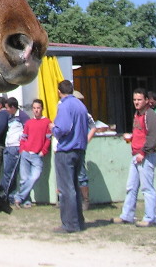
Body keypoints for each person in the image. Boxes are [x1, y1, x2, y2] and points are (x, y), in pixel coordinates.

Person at [113, 87, 156, 227]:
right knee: (131, 187)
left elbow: (152, 137)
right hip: (136, 155)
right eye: (134, 100)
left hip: (146, 156)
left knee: (147, 188)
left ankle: (151, 218)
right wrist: (131, 138)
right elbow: (141, 134)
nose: (136, 102)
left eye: (139, 100)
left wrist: (143, 153)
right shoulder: (137, 114)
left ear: (147, 100)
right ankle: (127, 215)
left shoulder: (150, 115)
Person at [50, 80, 90, 233]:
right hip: (79, 149)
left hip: (66, 150)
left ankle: (69, 225)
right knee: (74, 187)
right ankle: (78, 221)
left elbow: (63, 128)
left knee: (66, 189)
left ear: (59, 91)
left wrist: (54, 128)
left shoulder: (64, 105)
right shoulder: (81, 105)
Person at [15, 98, 51, 208]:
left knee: (34, 177)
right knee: (24, 179)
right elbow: (24, 137)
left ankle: (18, 197)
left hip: (37, 155)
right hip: (26, 153)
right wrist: (22, 149)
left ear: (42, 109)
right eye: (34, 108)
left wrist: (43, 152)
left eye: (38, 108)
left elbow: (48, 139)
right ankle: (26, 201)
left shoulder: (47, 122)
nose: (36, 110)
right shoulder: (29, 123)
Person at [73, 90, 97, 210]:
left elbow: (93, 127)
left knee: (81, 174)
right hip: (71, 146)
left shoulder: (85, 114)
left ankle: (85, 200)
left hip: (79, 147)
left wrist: (86, 140)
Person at [0, 97, 24, 201]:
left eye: (7, 107)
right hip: (8, 146)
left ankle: (2, 195)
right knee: (7, 172)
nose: (6, 109)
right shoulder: (10, 117)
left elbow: (27, 129)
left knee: (10, 173)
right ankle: (10, 196)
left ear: (13, 107)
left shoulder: (22, 116)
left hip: (15, 147)